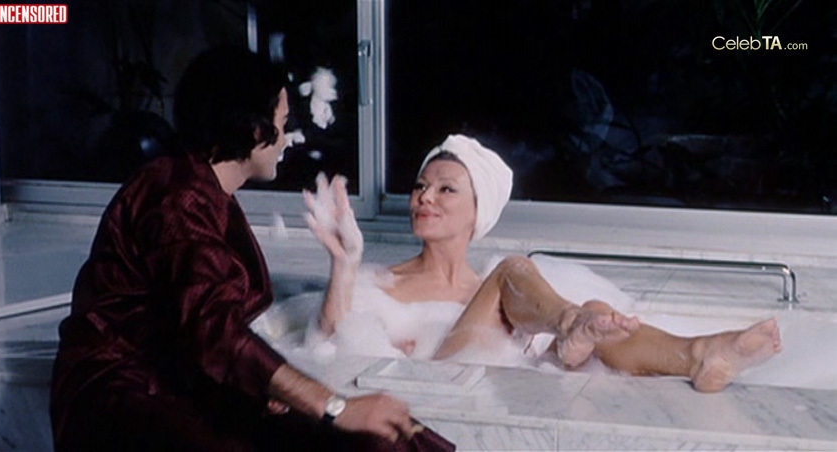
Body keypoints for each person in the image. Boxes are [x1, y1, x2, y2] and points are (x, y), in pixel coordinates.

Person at [50, 48, 454, 452]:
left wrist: (270, 387)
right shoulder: (176, 198)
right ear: (256, 128)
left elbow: (209, 332)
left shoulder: (207, 192)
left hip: (179, 386)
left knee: (388, 438)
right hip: (123, 401)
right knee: (338, 427)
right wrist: (334, 406)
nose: (287, 138)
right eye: (282, 123)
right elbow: (215, 332)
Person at [301, 134, 782, 394]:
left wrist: (560, 352)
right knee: (515, 269)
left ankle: (698, 354)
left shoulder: (497, 293)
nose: (425, 197)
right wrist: (346, 265)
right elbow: (328, 345)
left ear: (478, 211)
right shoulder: (388, 284)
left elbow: (521, 367)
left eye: (446, 189)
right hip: (441, 384)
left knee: (598, 312)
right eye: (420, 187)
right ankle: (573, 326)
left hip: (500, 378)